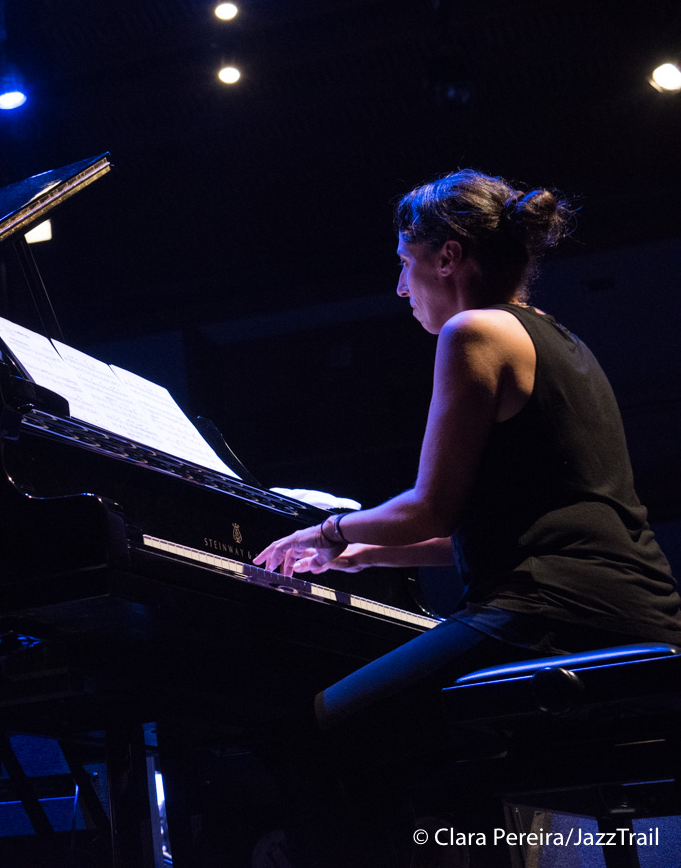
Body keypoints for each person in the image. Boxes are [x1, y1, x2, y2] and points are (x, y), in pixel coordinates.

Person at [248, 171, 681, 864]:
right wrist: (366, 555)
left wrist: (326, 529)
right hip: (634, 610)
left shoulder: (473, 330)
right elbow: (498, 525)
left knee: (314, 737)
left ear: (446, 257)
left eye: (403, 261)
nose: (399, 287)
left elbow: (432, 503)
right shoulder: (558, 338)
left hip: (552, 613)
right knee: (427, 763)